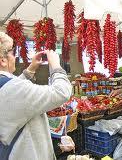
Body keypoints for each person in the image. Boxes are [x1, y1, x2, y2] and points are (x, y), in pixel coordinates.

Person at [0, 32, 72, 160]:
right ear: (3, 60)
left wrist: (30, 70)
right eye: (12, 52)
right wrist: (55, 65)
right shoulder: (13, 90)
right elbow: (62, 92)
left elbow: (12, 92)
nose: (15, 56)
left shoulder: (6, 87)